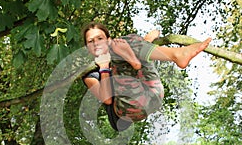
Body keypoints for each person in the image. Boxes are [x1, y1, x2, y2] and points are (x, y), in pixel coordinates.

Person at [82, 22, 211, 131]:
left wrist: (145, 41)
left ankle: (169, 55)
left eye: (100, 38)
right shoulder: (90, 75)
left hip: (153, 94)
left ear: (108, 40)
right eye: (91, 41)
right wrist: (104, 68)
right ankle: (168, 55)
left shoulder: (116, 51)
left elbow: (135, 48)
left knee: (129, 41)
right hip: (128, 110)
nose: (96, 43)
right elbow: (107, 100)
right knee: (124, 46)